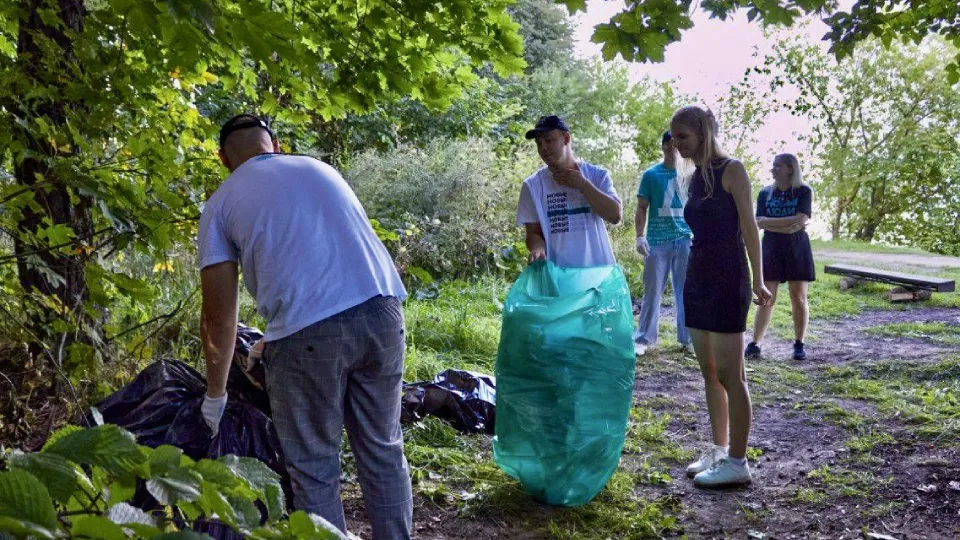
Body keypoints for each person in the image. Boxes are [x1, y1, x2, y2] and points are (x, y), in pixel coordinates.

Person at [197, 114, 413, 539]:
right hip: (385, 315)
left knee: (314, 467)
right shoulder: (319, 168)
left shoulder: (220, 204)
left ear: (224, 159)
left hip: (309, 336)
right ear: (274, 146)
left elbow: (219, 316)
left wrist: (215, 395)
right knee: (384, 451)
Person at [670, 106, 772, 488]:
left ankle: (738, 462)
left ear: (702, 133)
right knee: (709, 371)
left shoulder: (733, 169)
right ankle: (718, 449)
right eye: (674, 137)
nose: (676, 144)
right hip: (697, 276)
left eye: (682, 136)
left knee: (733, 375)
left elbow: (750, 229)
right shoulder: (695, 177)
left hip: (729, 277)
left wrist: (760, 282)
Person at [517, 115, 623, 266]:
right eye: (538, 143)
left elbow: (615, 215)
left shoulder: (597, 175)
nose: (543, 148)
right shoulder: (532, 186)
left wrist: (583, 185)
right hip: (557, 275)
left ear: (566, 139)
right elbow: (533, 233)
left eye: (548, 140)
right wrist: (538, 249)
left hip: (598, 273)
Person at [746, 154, 815, 360]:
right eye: (773, 166)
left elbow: (802, 219)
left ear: (790, 169)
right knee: (766, 297)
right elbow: (758, 221)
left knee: (799, 298)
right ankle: (755, 343)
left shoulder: (803, 191)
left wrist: (771, 222)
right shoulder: (766, 193)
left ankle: (799, 343)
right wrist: (787, 226)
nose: (773, 169)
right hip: (771, 247)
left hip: (797, 247)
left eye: (778, 166)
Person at [634, 131, 694, 356]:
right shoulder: (651, 175)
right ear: (663, 147)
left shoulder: (691, 174)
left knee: (686, 290)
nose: (673, 149)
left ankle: (688, 339)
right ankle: (644, 338)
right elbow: (641, 207)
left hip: (685, 238)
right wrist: (640, 236)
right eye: (668, 145)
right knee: (652, 291)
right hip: (657, 241)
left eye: (676, 144)